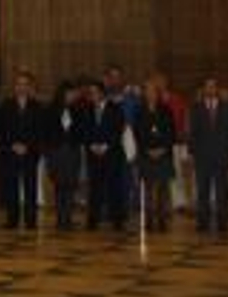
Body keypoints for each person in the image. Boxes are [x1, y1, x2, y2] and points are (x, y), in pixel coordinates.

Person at [188, 78, 228, 234]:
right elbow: (192, 133)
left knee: (222, 190)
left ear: (217, 89)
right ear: (204, 89)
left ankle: (223, 222)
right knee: (203, 191)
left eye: (213, 86)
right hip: (202, 156)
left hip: (221, 155)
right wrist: (191, 153)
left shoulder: (227, 107)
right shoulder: (196, 108)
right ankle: (203, 222)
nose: (210, 89)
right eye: (207, 87)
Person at [0, 71, 42, 230]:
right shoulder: (5, 105)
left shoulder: (37, 106)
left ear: (29, 87)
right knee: (11, 188)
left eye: (24, 84)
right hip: (10, 153)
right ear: (14, 87)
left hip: (29, 153)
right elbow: (0, 131)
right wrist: (12, 145)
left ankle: (31, 220)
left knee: (30, 188)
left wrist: (27, 146)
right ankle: (12, 220)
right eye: (18, 84)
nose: (21, 87)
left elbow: (40, 132)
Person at [86, 76, 129, 230]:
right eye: (90, 93)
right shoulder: (87, 109)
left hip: (112, 154)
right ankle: (93, 220)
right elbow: (85, 131)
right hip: (93, 155)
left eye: (95, 92)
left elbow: (118, 130)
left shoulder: (115, 108)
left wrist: (105, 146)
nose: (92, 96)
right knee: (94, 188)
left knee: (114, 188)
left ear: (102, 93)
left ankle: (117, 220)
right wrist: (91, 145)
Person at [135, 77, 176, 230]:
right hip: (146, 154)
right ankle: (149, 220)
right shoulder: (140, 111)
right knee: (148, 189)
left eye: (153, 90)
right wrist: (148, 150)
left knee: (162, 189)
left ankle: (162, 220)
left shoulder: (166, 110)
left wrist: (162, 149)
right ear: (144, 93)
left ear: (157, 93)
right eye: (147, 90)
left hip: (163, 154)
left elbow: (171, 132)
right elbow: (138, 133)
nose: (150, 93)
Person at [45, 81, 84, 230]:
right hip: (56, 152)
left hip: (72, 152)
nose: (72, 96)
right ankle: (60, 219)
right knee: (59, 185)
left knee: (70, 186)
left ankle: (67, 218)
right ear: (62, 93)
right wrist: (49, 153)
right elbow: (47, 132)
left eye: (73, 93)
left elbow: (81, 131)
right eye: (69, 93)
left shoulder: (78, 110)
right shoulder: (51, 109)